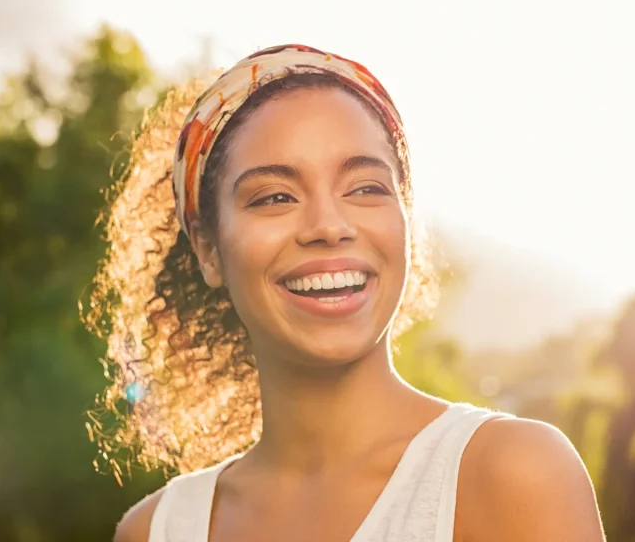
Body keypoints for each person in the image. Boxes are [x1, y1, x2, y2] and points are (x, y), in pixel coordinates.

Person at [96, 44, 605, 541]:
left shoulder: (513, 475)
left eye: (365, 188)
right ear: (208, 248)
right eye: (275, 197)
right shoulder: (155, 530)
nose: (329, 226)